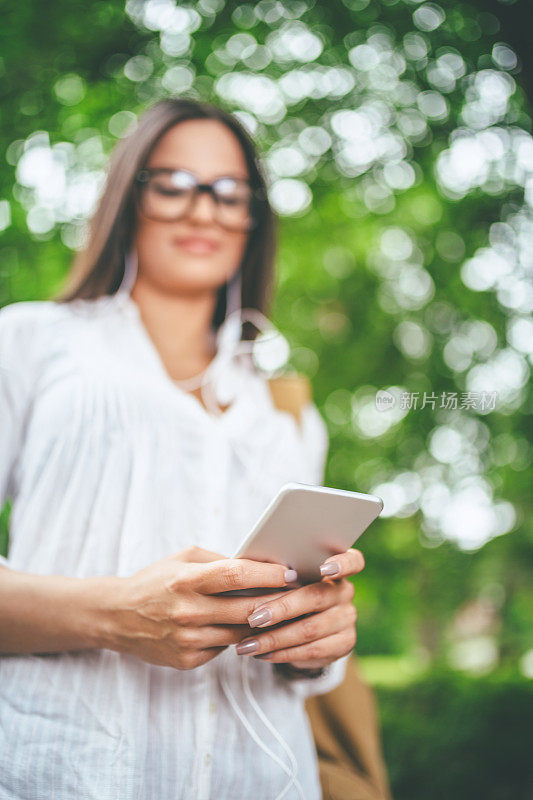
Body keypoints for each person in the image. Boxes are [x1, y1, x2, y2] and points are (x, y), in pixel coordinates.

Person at [0, 97, 365, 800]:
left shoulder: (285, 410)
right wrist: (111, 613)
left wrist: (317, 639)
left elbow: (307, 647)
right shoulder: (29, 343)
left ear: (252, 218)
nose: (204, 210)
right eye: (173, 184)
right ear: (127, 196)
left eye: (230, 193)